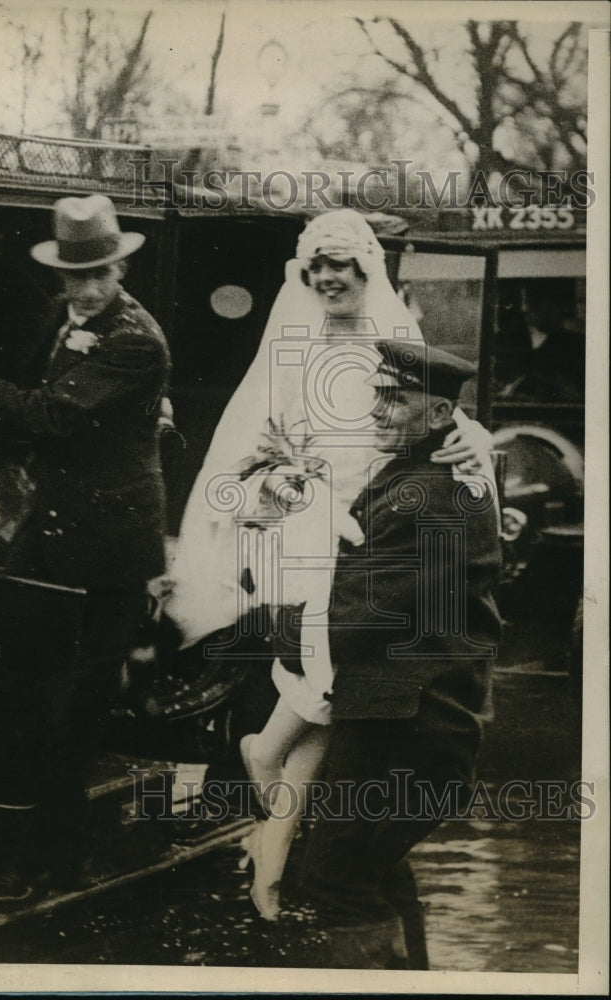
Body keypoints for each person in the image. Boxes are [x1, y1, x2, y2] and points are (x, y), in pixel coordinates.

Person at [164, 209, 495, 921]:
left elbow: (444, 417)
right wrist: (271, 491)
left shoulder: (394, 344)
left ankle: (278, 845)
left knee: (332, 696)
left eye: (338, 266)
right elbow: (249, 448)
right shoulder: (292, 346)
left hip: (378, 536)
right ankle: (282, 846)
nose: (326, 279)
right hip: (306, 536)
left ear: (365, 268)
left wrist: (476, 447)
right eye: (314, 268)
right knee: (320, 691)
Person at [0, 194, 171, 911]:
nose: (85, 290)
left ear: (121, 269)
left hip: (105, 554)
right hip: (51, 535)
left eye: (99, 275)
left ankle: (39, 868)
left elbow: (47, 415)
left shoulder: (136, 342)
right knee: (26, 699)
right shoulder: (61, 318)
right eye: (74, 277)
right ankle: (42, 858)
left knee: (67, 713)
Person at [286, 338, 502, 969]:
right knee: (372, 870)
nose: (378, 410)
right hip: (406, 719)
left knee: (333, 878)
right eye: (377, 394)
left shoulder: (433, 495)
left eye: (396, 399)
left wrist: (261, 626)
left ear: (439, 415)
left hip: (410, 727)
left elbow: (358, 616)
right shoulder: (419, 473)